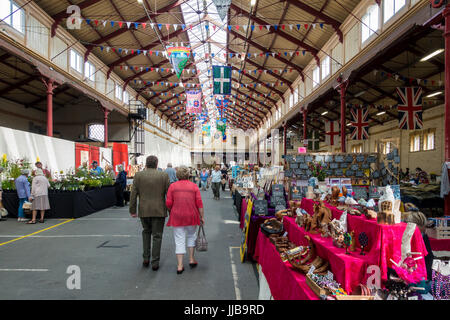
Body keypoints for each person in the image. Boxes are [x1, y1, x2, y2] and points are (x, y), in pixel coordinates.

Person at [129, 155, 170, 271]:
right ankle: (155, 262)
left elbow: (133, 194)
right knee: (157, 236)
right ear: (157, 164)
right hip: (159, 210)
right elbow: (169, 195)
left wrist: (132, 210)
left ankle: (146, 258)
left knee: (146, 232)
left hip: (144, 210)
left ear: (146, 164)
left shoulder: (138, 175)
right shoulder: (163, 175)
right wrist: (171, 211)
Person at [166, 166, 205, 274]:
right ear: (188, 174)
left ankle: (179, 265)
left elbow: (168, 203)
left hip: (177, 216)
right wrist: (202, 216)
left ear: (177, 175)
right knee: (192, 236)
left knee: (179, 239)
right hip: (191, 215)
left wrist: (172, 209)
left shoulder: (172, 186)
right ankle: (191, 259)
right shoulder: (194, 186)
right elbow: (199, 203)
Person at [403, 211, 434, 280]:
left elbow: (429, 257)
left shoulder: (424, 237)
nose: (418, 236)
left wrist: (426, 277)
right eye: (417, 233)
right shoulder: (403, 235)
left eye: (421, 232)